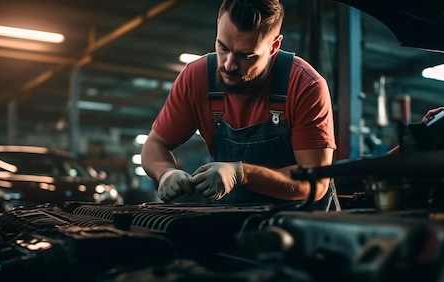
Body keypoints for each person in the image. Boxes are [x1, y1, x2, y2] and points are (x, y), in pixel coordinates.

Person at [141, 0, 336, 205]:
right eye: (222, 47)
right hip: (233, 221)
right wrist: (166, 172)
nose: (229, 65)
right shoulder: (196, 78)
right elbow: (155, 145)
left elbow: (316, 184)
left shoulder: (305, 85)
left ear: (274, 46)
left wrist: (242, 174)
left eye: (246, 55)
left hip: (299, 226)